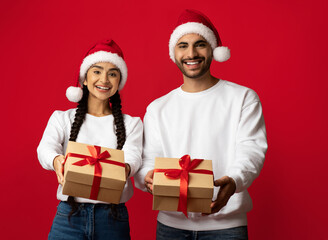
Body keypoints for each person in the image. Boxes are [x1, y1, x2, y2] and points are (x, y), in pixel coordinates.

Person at [135, 9, 268, 239]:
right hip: (171, 227)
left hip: (226, 226)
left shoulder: (243, 98)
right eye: (183, 45)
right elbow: (147, 159)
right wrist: (147, 175)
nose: (191, 53)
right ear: (173, 53)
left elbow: (252, 150)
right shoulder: (158, 108)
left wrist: (234, 180)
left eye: (200, 44)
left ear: (213, 50)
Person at [37, 39, 143, 240]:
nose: (104, 79)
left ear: (119, 82)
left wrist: (124, 169)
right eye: (97, 71)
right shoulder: (62, 118)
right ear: (84, 79)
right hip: (69, 215)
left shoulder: (132, 124)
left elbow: (133, 156)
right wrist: (56, 160)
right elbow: (45, 148)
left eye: (112, 73)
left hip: (113, 216)